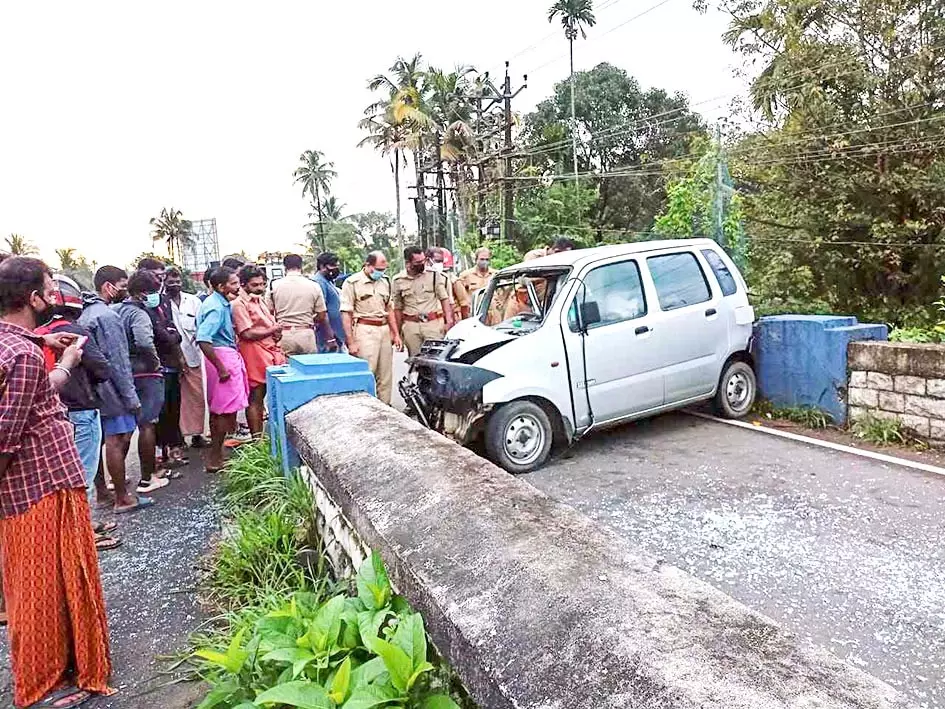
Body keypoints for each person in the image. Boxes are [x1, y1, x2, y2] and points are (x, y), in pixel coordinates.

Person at [0, 256, 112, 709]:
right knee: (39, 589)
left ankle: (59, 668)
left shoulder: (17, 343)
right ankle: (44, 684)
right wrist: (64, 360)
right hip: (38, 485)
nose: (54, 295)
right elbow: (7, 432)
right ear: (33, 298)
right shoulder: (24, 354)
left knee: (45, 583)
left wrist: (47, 341)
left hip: (33, 485)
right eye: (49, 287)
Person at [35, 275, 121, 552]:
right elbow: (102, 368)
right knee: (80, 476)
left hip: (56, 412)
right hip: (81, 408)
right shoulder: (73, 331)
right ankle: (81, 534)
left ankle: (84, 525)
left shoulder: (38, 334)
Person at [79, 266, 153, 514]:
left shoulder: (86, 313)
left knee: (100, 442)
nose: (125, 289)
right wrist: (131, 397)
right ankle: (122, 498)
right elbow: (118, 362)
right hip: (111, 388)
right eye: (122, 284)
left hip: (93, 389)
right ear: (108, 286)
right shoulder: (107, 317)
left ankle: (103, 492)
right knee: (117, 439)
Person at [114, 270, 169, 494]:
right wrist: (155, 362)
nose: (157, 295)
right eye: (155, 291)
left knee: (125, 428)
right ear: (143, 293)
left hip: (125, 373)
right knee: (148, 424)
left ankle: (117, 477)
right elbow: (144, 341)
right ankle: (147, 479)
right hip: (145, 373)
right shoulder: (139, 314)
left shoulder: (117, 311)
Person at [196, 267, 250, 471]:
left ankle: (217, 457)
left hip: (222, 356)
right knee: (222, 412)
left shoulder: (217, 303)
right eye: (234, 283)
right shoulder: (216, 307)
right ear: (221, 286)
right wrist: (221, 368)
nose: (238, 287)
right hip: (222, 357)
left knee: (223, 410)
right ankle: (215, 458)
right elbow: (203, 338)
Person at [137, 259, 185, 468]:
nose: (160, 279)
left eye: (161, 275)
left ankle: (173, 448)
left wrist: (176, 347)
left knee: (173, 407)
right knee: (155, 414)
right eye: (156, 275)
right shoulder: (137, 306)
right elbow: (157, 334)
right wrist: (168, 335)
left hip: (170, 362)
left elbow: (171, 331)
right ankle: (157, 455)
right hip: (151, 367)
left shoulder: (163, 301)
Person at [340, 251, 402, 405]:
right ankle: (366, 408)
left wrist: (396, 334)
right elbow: (346, 313)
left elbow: (389, 309)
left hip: (384, 329)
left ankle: (385, 408)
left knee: (385, 375)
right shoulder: (352, 283)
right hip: (364, 329)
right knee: (367, 373)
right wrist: (351, 341)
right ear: (368, 266)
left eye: (384, 269)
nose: (381, 272)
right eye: (379, 269)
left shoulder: (385, 282)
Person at [232, 265, 285, 436]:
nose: (260, 288)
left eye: (262, 284)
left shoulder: (259, 300)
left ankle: (269, 437)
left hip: (270, 351)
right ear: (243, 284)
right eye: (255, 285)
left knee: (270, 396)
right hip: (253, 352)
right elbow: (246, 333)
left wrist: (276, 332)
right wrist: (272, 330)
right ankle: (257, 441)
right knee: (256, 397)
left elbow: (269, 325)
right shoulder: (239, 304)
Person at [166, 268, 208, 449]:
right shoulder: (160, 303)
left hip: (192, 356)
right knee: (174, 400)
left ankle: (197, 434)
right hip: (169, 359)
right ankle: (177, 438)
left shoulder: (192, 301)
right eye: (170, 282)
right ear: (164, 282)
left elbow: (201, 326)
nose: (174, 285)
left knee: (196, 397)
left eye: (177, 281)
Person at [268, 254, 337, 356]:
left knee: (287, 368)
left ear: (285, 267)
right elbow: (322, 315)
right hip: (306, 333)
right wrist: (309, 320)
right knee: (309, 368)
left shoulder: (274, 286)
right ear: (301, 266)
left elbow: (269, 312)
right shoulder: (314, 286)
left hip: (284, 334)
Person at [393, 246, 455, 358]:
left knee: (435, 360)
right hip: (411, 326)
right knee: (415, 361)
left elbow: (444, 299)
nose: (423, 264)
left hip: (432, 324)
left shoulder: (434, 275)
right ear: (408, 263)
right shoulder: (398, 280)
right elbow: (397, 308)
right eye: (418, 262)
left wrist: (449, 322)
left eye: (424, 260)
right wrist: (397, 333)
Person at [313, 252, 346, 353]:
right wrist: (330, 338)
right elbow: (322, 311)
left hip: (336, 334)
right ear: (322, 266)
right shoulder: (319, 282)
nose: (335, 268)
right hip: (327, 337)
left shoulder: (328, 281)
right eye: (332, 265)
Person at [428, 247, 470, 320]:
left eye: (440, 261)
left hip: (450, 317)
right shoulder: (426, 279)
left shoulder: (453, 280)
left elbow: (464, 304)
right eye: (437, 261)